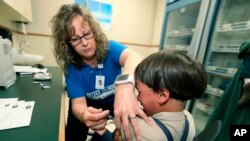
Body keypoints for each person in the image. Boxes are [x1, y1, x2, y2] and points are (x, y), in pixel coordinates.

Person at [50, 4, 144, 141]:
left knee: (132, 130)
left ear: (94, 31)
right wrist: (84, 115)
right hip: (88, 104)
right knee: (73, 135)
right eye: (75, 39)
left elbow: (135, 57)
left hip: (115, 99)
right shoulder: (71, 67)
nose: (85, 43)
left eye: (87, 34)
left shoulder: (110, 48)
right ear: (67, 45)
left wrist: (124, 85)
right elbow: (78, 104)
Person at [114, 50, 207, 141]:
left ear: (162, 95)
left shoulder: (139, 130)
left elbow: (117, 135)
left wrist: (119, 130)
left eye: (139, 92)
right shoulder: (188, 119)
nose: (137, 98)